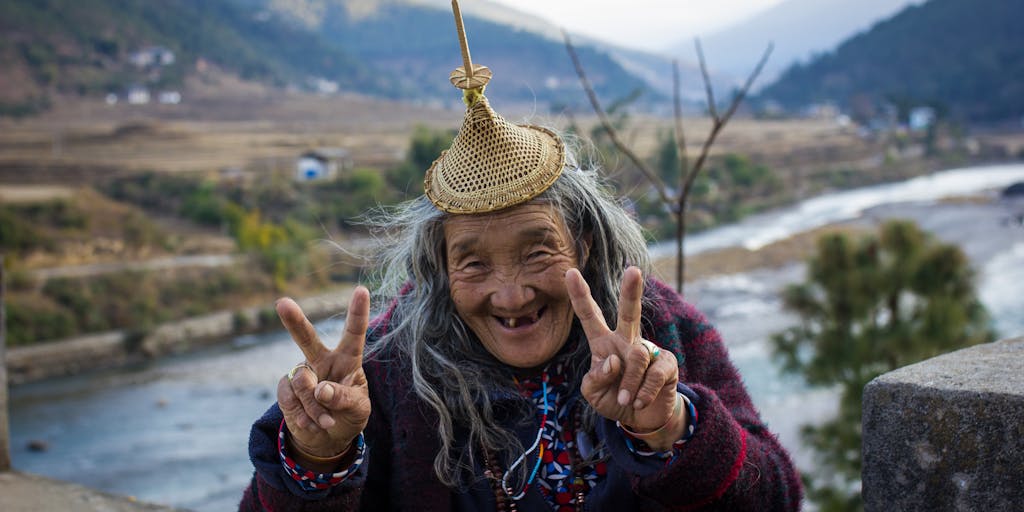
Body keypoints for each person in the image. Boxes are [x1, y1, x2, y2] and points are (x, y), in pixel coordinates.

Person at [240, 3, 801, 510]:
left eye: (537, 252)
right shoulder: (388, 366)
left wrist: (670, 425)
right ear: (440, 270)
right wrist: (318, 458)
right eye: (473, 263)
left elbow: (776, 497)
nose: (510, 295)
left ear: (583, 242)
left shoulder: (658, 327)